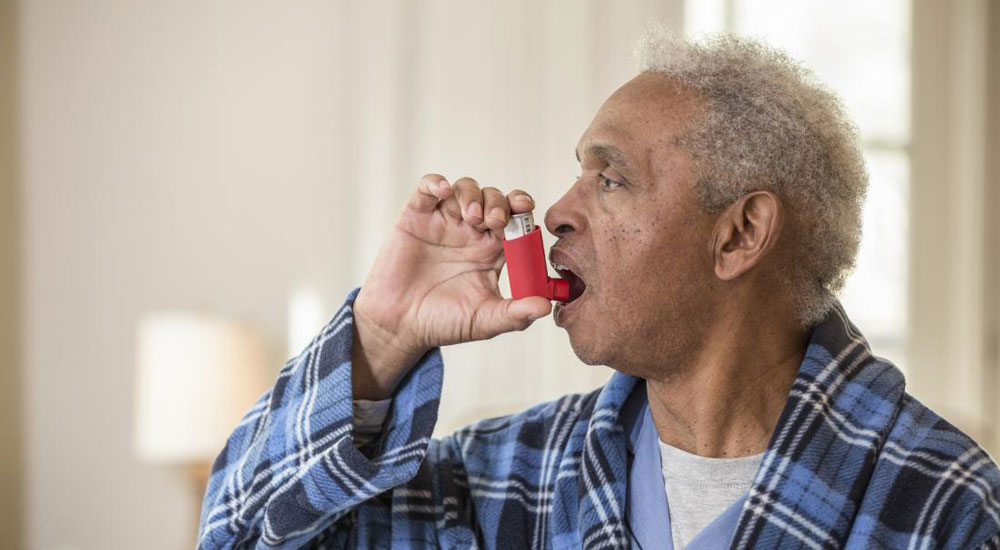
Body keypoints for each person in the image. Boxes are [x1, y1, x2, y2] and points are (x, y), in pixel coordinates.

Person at [196, 29, 1000, 550]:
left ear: (740, 234)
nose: (554, 213)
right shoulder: (503, 480)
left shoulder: (942, 506)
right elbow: (237, 534)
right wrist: (384, 333)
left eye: (610, 179)